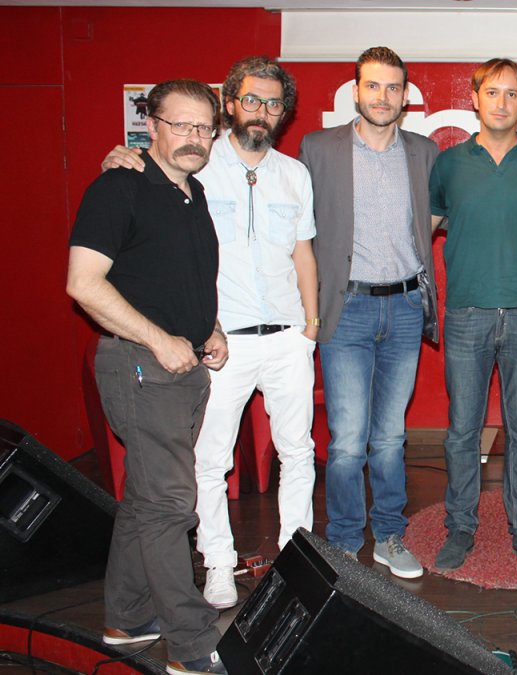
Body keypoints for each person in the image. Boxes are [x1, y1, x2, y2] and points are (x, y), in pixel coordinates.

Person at [101, 56, 317, 609]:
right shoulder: (195, 162)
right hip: (222, 341)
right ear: (230, 103)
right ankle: (218, 563)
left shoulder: (295, 174)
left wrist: (311, 326)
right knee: (210, 460)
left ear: (284, 112)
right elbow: (144, 183)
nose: (262, 111)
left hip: (288, 336)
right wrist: (121, 157)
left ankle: (297, 558)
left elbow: (303, 253)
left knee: (298, 451)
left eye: (273, 103)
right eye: (252, 99)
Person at [67, 79, 228, 675]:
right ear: (152, 126)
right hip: (140, 365)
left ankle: (127, 618)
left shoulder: (193, 193)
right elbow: (83, 284)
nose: (194, 137)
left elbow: (176, 276)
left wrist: (210, 327)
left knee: (145, 501)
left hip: (182, 367)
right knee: (169, 506)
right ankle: (191, 647)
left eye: (204, 127)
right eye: (181, 124)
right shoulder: (119, 187)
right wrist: (159, 340)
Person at [299, 47, 439, 578]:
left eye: (393, 87)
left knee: (390, 437)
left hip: (404, 307)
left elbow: (441, 216)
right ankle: (341, 542)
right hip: (347, 308)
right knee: (347, 441)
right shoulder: (318, 149)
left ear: (406, 96)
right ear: (355, 91)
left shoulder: (425, 152)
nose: (383, 97)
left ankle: (389, 535)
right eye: (373, 86)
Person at [428, 58, 517, 572]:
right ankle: (460, 527)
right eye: (492, 92)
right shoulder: (449, 164)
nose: (501, 102)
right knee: (462, 431)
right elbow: (425, 228)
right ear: (475, 98)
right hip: (467, 315)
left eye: (511, 94)